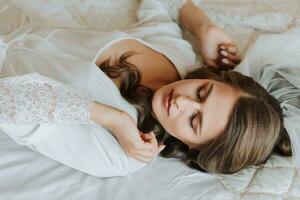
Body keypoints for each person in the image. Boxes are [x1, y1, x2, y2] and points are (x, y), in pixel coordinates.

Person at [0, 0, 292, 176]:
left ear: (195, 148)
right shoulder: (177, 57)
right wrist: (204, 27)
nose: (182, 101)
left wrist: (112, 118)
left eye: (194, 120)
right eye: (202, 92)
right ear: (213, 77)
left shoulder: (119, 155)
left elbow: (6, 103)